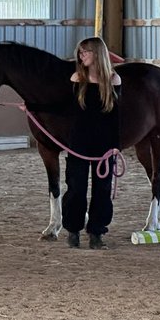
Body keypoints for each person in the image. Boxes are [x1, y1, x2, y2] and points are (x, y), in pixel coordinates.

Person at [63, 36, 121, 250]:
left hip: (104, 146)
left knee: (102, 190)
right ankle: (73, 230)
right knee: (76, 188)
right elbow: (66, 110)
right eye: (80, 52)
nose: (81, 56)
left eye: (85, 52)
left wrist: (115, 146)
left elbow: (116, 117)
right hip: (79, 143)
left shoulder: (114, 80)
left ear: (96, 53)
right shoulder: (78, 78)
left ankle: (97, 232)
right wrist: (31, 107)